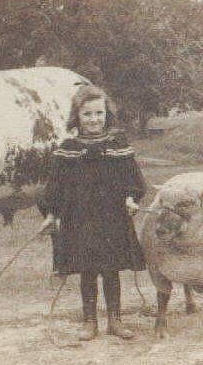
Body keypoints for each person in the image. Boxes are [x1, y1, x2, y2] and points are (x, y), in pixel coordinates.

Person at [41, 85, 147, 341]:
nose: (94, 119)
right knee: (87, 270)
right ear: (77, 116)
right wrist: (50, 214)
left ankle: (115, 319)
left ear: (106, 114)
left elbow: (133, 180)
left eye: (99, 113)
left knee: (111, 270)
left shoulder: (118, 146)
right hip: (80, 220)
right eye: (87, 114)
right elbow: (55, 187)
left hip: (112, 218)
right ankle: (89, 321)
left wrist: (132, 198)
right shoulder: (68, 148)